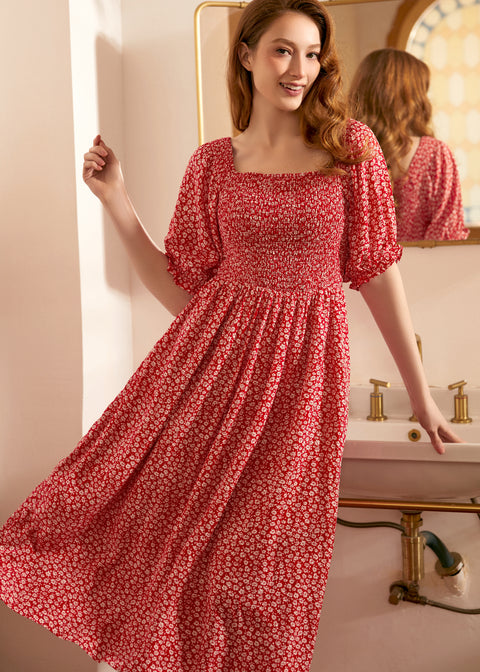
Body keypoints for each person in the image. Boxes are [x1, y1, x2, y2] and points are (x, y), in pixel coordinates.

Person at [0, 2, 460, 671]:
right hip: (208, 376)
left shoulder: (350, 150)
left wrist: (420, 395)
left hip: (302, 385)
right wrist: (116, 200)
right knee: (164, 549)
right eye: (282, 50)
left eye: (311, 54)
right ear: (245, 55)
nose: (299, 69)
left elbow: (378, 273)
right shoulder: (213, 163)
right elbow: (183, 291)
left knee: (264, 574)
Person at [348, 48, 469, 242]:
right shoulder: (434, 154)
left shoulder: (343, 151)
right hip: (425, 262)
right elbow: (447, 237)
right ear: (411, 97)